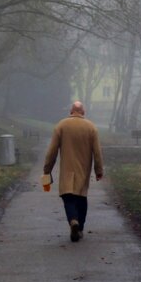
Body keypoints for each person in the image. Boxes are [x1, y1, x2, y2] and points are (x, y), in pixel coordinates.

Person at [43, 100, 104, 242]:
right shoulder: (91, 127)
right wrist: (98, 170)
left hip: (67, 170)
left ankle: (73, 220)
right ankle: (80, 228)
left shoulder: (61, 125)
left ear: (70, 112)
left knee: (68, 197)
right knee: (81, 198)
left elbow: (52, 151)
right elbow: (97, 152)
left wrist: (47, 169)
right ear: (83, 112)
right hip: (83, 170)